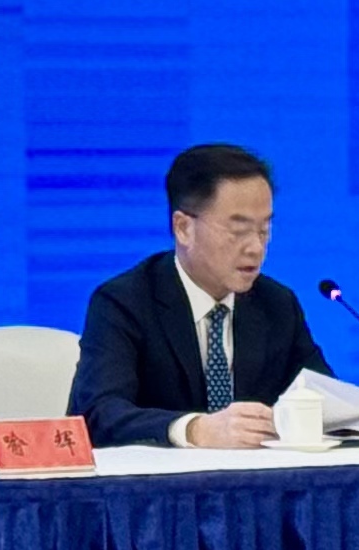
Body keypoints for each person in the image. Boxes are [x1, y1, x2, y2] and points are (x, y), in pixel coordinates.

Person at [72, 141, 336, 448]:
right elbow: (98, 415)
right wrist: (195, 430)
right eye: (238, 230)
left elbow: (325, 398)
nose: (256, 247)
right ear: (183, 228)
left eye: (264, 230)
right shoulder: (124, 302)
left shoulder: (277, 304)